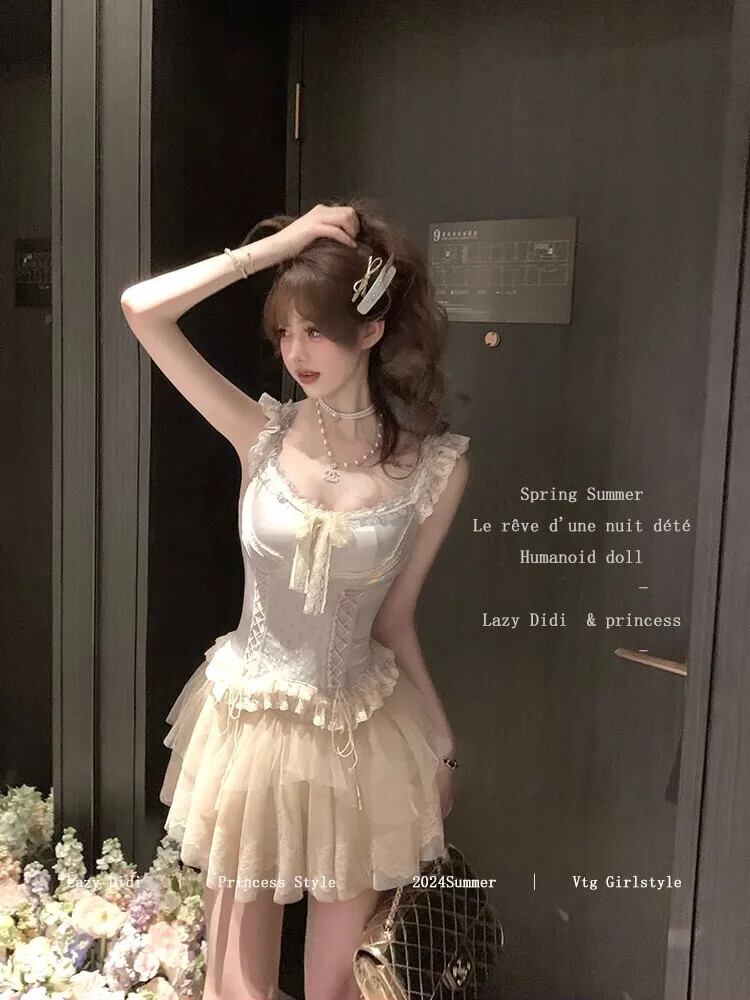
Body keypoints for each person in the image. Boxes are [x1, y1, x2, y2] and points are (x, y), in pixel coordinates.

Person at [120, 198, 470, 1000]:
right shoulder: (261, 433)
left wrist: (441, 744)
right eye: (284, 332)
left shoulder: (433, 470)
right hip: (248, 729)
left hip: (359, 738)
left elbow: (395, 621)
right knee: (236, 987)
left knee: (337, 987)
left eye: (317, 330)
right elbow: (142, 309)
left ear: (371, 330)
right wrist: (278, 248)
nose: (295, 352)